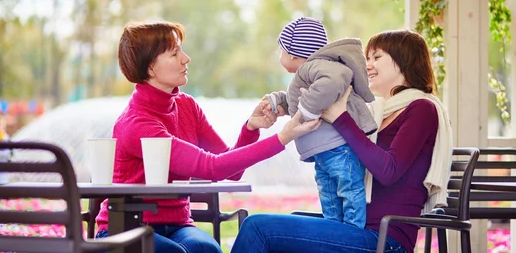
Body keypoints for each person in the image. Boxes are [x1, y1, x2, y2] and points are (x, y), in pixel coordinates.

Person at [94, 21, 321, 253]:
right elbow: (210, 166)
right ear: (151, 68)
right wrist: (282, 138)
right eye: (175, 53)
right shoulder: (136, 123)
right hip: (124, 228)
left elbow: (231, 171)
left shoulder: (187, 107)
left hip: (177, 225)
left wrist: (251, 128)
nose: (186, 58)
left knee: (206, 250)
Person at [232, 29, 453, 253]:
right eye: (367, 58)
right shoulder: (375, 112)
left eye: (377, 58)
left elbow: (388, 171)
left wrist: (341, 119)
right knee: (274, 229)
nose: (367, 65)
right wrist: (282, 105)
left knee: (257, 228)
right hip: (354, 229)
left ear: (406, 61)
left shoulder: (422, 108)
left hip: (385, 240)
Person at [264, 17, 377, 228]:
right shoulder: (308, 73)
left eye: (281, 51)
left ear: (292, 53)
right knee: (329, 194)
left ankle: (353, 234)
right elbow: (301, 98)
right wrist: (278, 101)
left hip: (338, 147)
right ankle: (333, 234)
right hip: (325, 152)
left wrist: (306, 109)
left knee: (349, 188)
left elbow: (335, 80)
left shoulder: (318, 66)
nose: (280, 56)